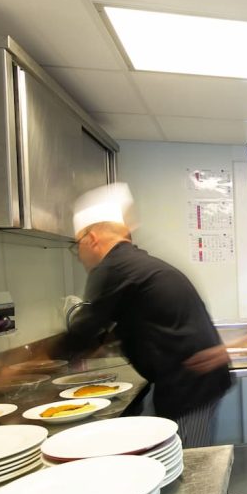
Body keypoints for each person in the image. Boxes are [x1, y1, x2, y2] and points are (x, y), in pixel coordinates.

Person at [53, 183, 232, 447]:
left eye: (77, 245)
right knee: (176, 451)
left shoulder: (113, 268)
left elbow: (81, 335)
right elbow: (132, 319)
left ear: (91, 239)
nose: (79, 255)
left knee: (187, 459)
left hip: (190, 386)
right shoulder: (133, 263)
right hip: (194, 380)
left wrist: (10, 368)